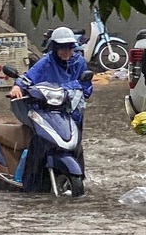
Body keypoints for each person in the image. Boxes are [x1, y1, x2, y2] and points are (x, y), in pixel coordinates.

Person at [9, 26, 93, 192]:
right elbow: (29, 77)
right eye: (62, 48)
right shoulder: (46, 62)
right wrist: (17, 87)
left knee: (75, 144)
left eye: (69, 47)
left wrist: (77, 88)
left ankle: (78, 175)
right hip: (46, 109)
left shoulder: (79, 62)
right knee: (40, 141)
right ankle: (31, 181)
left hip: (70, 111)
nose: (66, 52)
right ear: (54, 47)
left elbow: (87, 86)